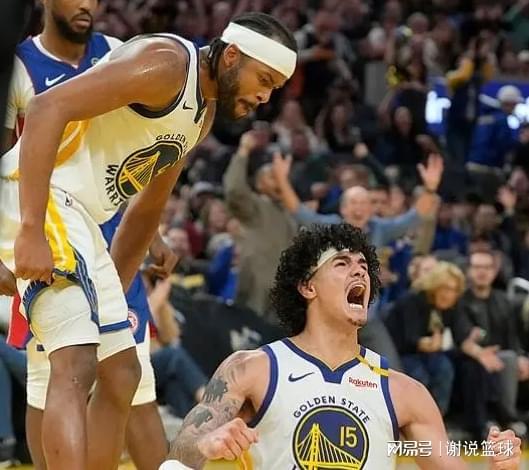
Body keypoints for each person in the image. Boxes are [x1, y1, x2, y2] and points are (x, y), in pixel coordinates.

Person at [0, 11, 297, 470]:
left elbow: (145, 210)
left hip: (84, 219)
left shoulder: (201, 113)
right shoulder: (166, 64)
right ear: (232, 55)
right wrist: (31, 231)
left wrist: (112, 296)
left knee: (122, 372)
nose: (265, 96)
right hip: (43, 196)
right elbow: (45, 108)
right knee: (75, 361)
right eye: (264, 80)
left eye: (274, 87)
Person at [162, 223, 521, 469]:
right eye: (342, 263)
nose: (359, 271)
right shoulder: (253, 368)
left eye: (364, 265)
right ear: (308, 287)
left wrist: (500, 465)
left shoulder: (404, 392)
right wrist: (205, 445)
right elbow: (179, 454)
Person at [1, 1, 176, 467]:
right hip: (47, 233)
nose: (87, 4)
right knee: (51, 379)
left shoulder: (119, 52)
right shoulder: (19, 66)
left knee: (132, 379)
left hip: (111, 241)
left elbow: (141, 151)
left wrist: (152, 231)